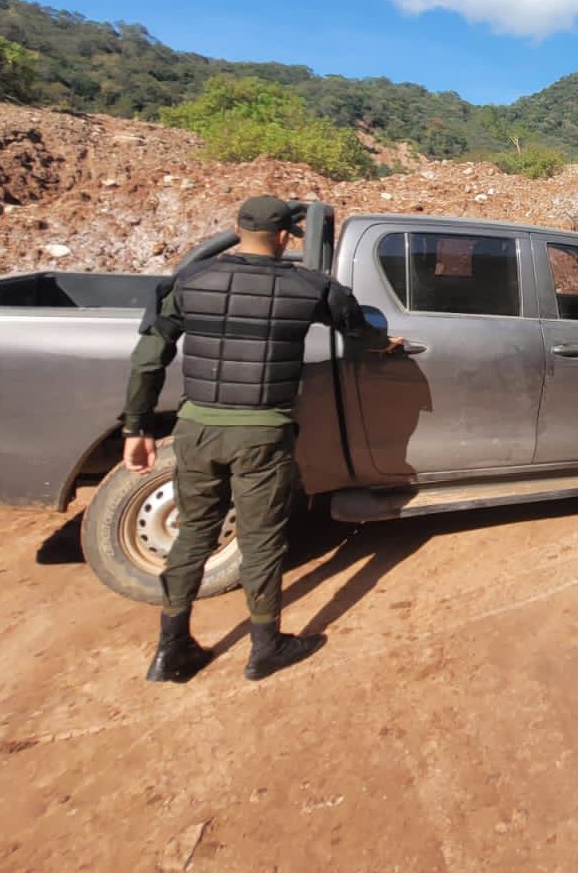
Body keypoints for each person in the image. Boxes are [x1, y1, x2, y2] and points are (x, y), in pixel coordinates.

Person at [121, 194, 385, 683]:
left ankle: (170, 649)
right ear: (285, 237)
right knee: (261, 538)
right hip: (262, 433)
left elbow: (148, 359)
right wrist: (383, 342)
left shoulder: (190, 281)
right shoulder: (310, 287)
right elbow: (357, 330)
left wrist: (136, 428)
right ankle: (266, 648)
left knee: (194, 536)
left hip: (197, 429)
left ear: (237, 229)